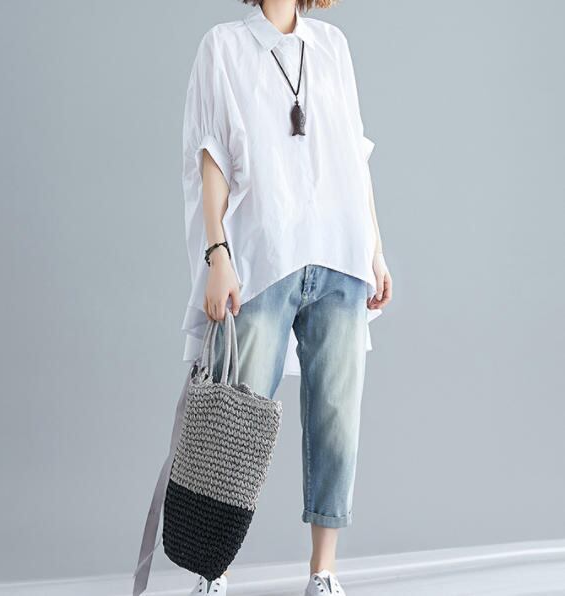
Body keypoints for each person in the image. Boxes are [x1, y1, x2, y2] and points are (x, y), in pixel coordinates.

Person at [181, 1, 392, 594]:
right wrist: (217, 253)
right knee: (234, 419)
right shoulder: (223, 45)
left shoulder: (332, 46)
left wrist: (375, 251)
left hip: (340, 256)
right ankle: (213, 570)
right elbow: (212, 156)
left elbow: (353, 157)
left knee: (336, 418)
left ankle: (324, 573)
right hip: (263, 256)